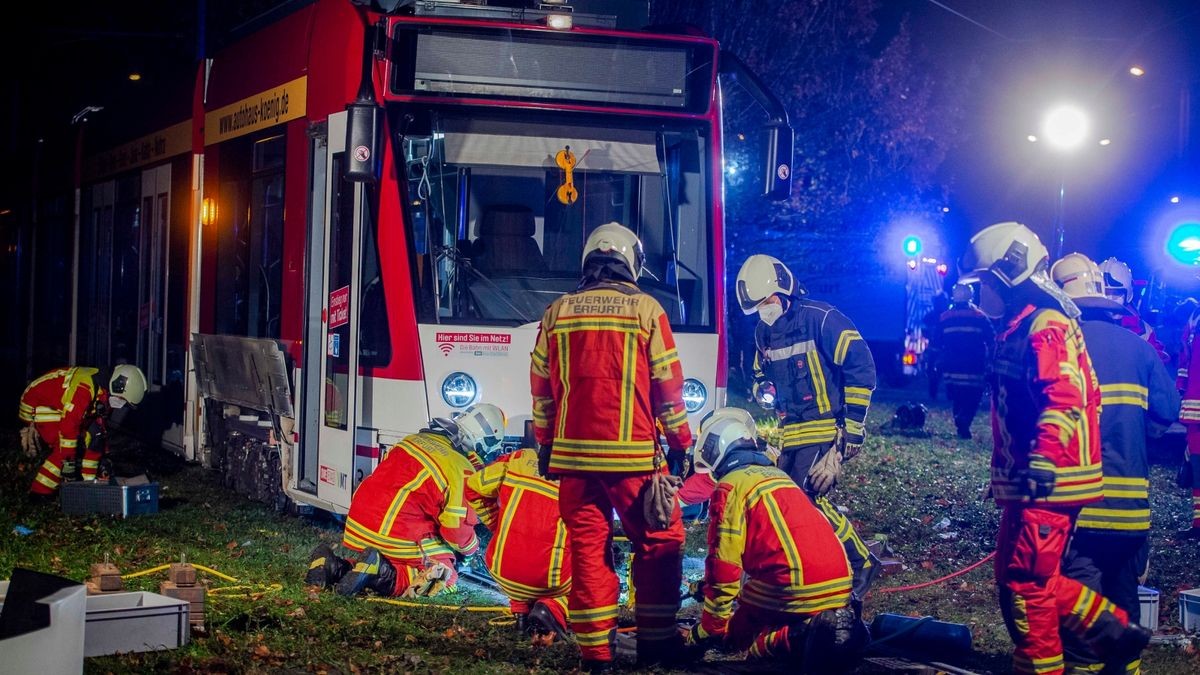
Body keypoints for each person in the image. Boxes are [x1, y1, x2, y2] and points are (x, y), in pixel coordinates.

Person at [960, 223, 1152, 675]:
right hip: (1031, 482)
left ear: (1009, 275)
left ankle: (1048, 663)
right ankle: (1113, 630)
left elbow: (1063, 395)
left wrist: (1044, 459)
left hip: (1051, 481)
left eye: (986, 282)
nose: (981, 292)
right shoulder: (1022, 324)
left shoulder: (1045, 325)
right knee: (1025, 579)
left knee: (1028, 588)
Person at [529, 222, 692, 671]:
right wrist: (680, 443)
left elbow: (541, 390)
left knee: (588, 553)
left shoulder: (556, 312)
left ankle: (596, 656)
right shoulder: (646, 309)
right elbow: (668, 389)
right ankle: (657, 643)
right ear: (631, 263)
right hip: (633, 460)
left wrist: (545, 444)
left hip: (573, 462)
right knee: (661, 541)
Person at [1051, 253, 1179, 674]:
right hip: (1130, 517)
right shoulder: (1140, 351)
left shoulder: (1059, 351)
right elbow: (1167, 411)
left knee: (1086, 628)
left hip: (1079, 515)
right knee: (1124, 617)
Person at [735, 253, 878, 611]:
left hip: (826, 427)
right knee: (789, 504)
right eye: (757, 308)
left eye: (766, 303)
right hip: (792, 432)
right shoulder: (762, 331)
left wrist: (853, 431)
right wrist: (762, 390)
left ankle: (860, 561)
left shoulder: (822, 319)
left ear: (784, 292)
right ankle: (815, 567)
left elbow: (861, 368)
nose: (763, 311)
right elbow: (756, 377)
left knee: (806, 498)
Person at [682, 409, 867, 672]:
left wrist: (704, 632)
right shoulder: (781, 478)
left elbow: (723, 566)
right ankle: (836, 631)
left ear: (714, 452)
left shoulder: (730, 487)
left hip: (796, 586)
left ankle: (796, 637)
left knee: (749, 647)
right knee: (742, 622)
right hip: (839, 584)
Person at [304, 403, 505, 598]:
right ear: (483, 443)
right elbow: (455, 529)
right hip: (394, 530)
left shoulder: (413, 440)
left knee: (394, 559)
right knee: (443, 574)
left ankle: (335, 566)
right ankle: (379, 573)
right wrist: (471, 549)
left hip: (361, 521)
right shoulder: (461, 468)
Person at [465, 446, 571, 640]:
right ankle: (553, 608)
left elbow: (472, 486)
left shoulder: (518, 458)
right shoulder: (584, 473)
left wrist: (496, 525)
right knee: (594, 575)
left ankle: (521, 615)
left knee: (519, 551)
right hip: (550, 580)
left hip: (501, 570)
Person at [19, 364, 147, 496]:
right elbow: (69, 427)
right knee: (62, 448)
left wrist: (103, 452)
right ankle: (39, 493)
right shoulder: (84, 389)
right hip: (39, 404)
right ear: (118, 387)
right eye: (123, 400)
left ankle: (89, 486)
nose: (122, 405)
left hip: (62, 406)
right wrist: (68, 461)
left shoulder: (107, 390)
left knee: (94, 438)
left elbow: (99, 425)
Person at [932, 282, 994, 439]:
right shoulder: (979, 316)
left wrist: (936, 361)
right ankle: (964, 421)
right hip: (973, 364)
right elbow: (992, 339)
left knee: (957, 396)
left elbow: (936, 341)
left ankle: (960, 423)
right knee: (973, 395)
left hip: (951, 365)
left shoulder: (945, 317)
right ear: (971, 296)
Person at [1100, 257, 1169, 365]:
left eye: (1116, 292)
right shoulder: (1082, 324)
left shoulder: (1143, 331)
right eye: (1105, 292)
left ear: (1128, 293)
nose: (1109, 297)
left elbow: (1157, 364)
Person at [1175, 300, 1200, 539]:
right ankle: (1198, 522)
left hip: (1195, 402)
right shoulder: (1194, 316)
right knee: (1197, 465)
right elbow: (1185, 358)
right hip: (1196, 405)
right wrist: (1182, 388)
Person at [922, 293, 950, 400]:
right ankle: (935, 395)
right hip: (938, 349)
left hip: (944, 350)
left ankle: (943, 395)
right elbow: (924, 330)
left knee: (946, 374)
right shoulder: (931, 317)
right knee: (935, 374)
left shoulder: (947, 316)